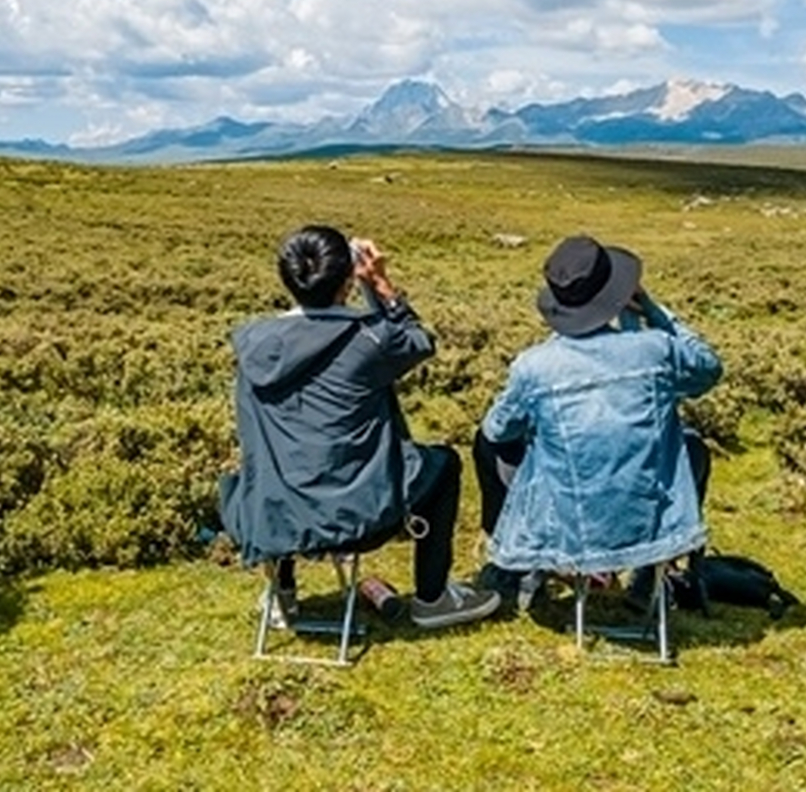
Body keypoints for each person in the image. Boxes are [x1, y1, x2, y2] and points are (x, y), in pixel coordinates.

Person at [219, 224, 500, 630]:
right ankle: (432, 599)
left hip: (274, 516)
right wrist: (381, 285)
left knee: (276, 464)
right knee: (445, 464)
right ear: (348, 280)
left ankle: (281, 595)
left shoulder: (255, 345)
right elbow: (418, 341)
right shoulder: (365, 338)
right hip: (362, 515)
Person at [473, 234, 721, 605]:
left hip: (567, 531)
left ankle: (511, 566)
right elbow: (708, 368)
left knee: (488, 442)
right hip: (652, 524)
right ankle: (648, 578)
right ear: (618, 294)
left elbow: (498, 429)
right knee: (693, 447)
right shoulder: (658, 350)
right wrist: (653, 311)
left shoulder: (535, 366)